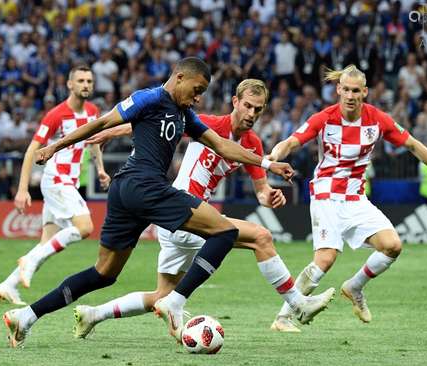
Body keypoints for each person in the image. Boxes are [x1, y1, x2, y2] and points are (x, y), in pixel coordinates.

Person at [2, 57, 298, 348]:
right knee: (224, 232)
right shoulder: (150, 98)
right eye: (196, 90)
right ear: (180, 77)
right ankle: (174, 302)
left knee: (103, 273)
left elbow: (223, 146)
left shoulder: (185, 114)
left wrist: (267, 165)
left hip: (126, 191)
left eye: (202, 94)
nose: (197, 98)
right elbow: (104, 120)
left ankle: (25, 316)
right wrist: (55, 146)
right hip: (144, 186)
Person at [70, 79, 335, 338]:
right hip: (183, 212)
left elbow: (261, 190)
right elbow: (148, 123)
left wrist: (269, 197)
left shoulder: (253, 143)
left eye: (258, 109)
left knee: (161, 295)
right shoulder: (209, 124)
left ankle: (93, 314)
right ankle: (298, 304)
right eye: (248, 106)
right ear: (235, 102)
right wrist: (108, 131)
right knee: (261, 237)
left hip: (190, 220)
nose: (251, 113)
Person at [268, 65, 427, 331]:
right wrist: (274, 156)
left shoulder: (377, 119)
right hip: (326, 194)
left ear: (365, 92)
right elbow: (292, 141)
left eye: (355, 91)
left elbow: (414, 146)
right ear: (338, 90)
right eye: (346, 90)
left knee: (392, 245)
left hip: (356, 197)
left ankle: (354, 287)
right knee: (326, 258)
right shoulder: (324, 118)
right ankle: (282, 317)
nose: (350, 95)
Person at [0, 65, 111, 306]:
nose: (86, 85)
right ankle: (31, 260)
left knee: (47, 242)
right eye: (80, 81)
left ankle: (8, 284)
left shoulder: (93, 111)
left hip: (69, 181)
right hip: (57, 179)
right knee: (85, 227)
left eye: (89, 81)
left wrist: (100, 169)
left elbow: (93, 142)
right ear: (70, 84)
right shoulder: (56, 115)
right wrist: (23, 188)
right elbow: (31, 151)